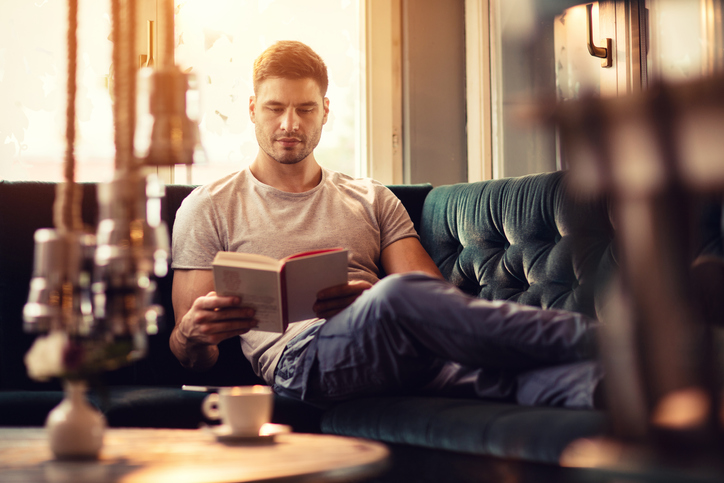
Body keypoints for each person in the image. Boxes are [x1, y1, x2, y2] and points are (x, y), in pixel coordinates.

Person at [170, 40, 602, 408]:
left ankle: (622, 381)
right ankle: (608, 339)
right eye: (274, 108)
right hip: (303, 362)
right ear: (252, 109)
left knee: (524, 381)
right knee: (397, 296)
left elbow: (431, 297)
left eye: (304, 108)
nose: (289, 124)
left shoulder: (371, 197)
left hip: (399, 347)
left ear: (324, 111)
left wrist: (370, 299)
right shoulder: (208, 206)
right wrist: (191, 334)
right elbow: (194, 358)